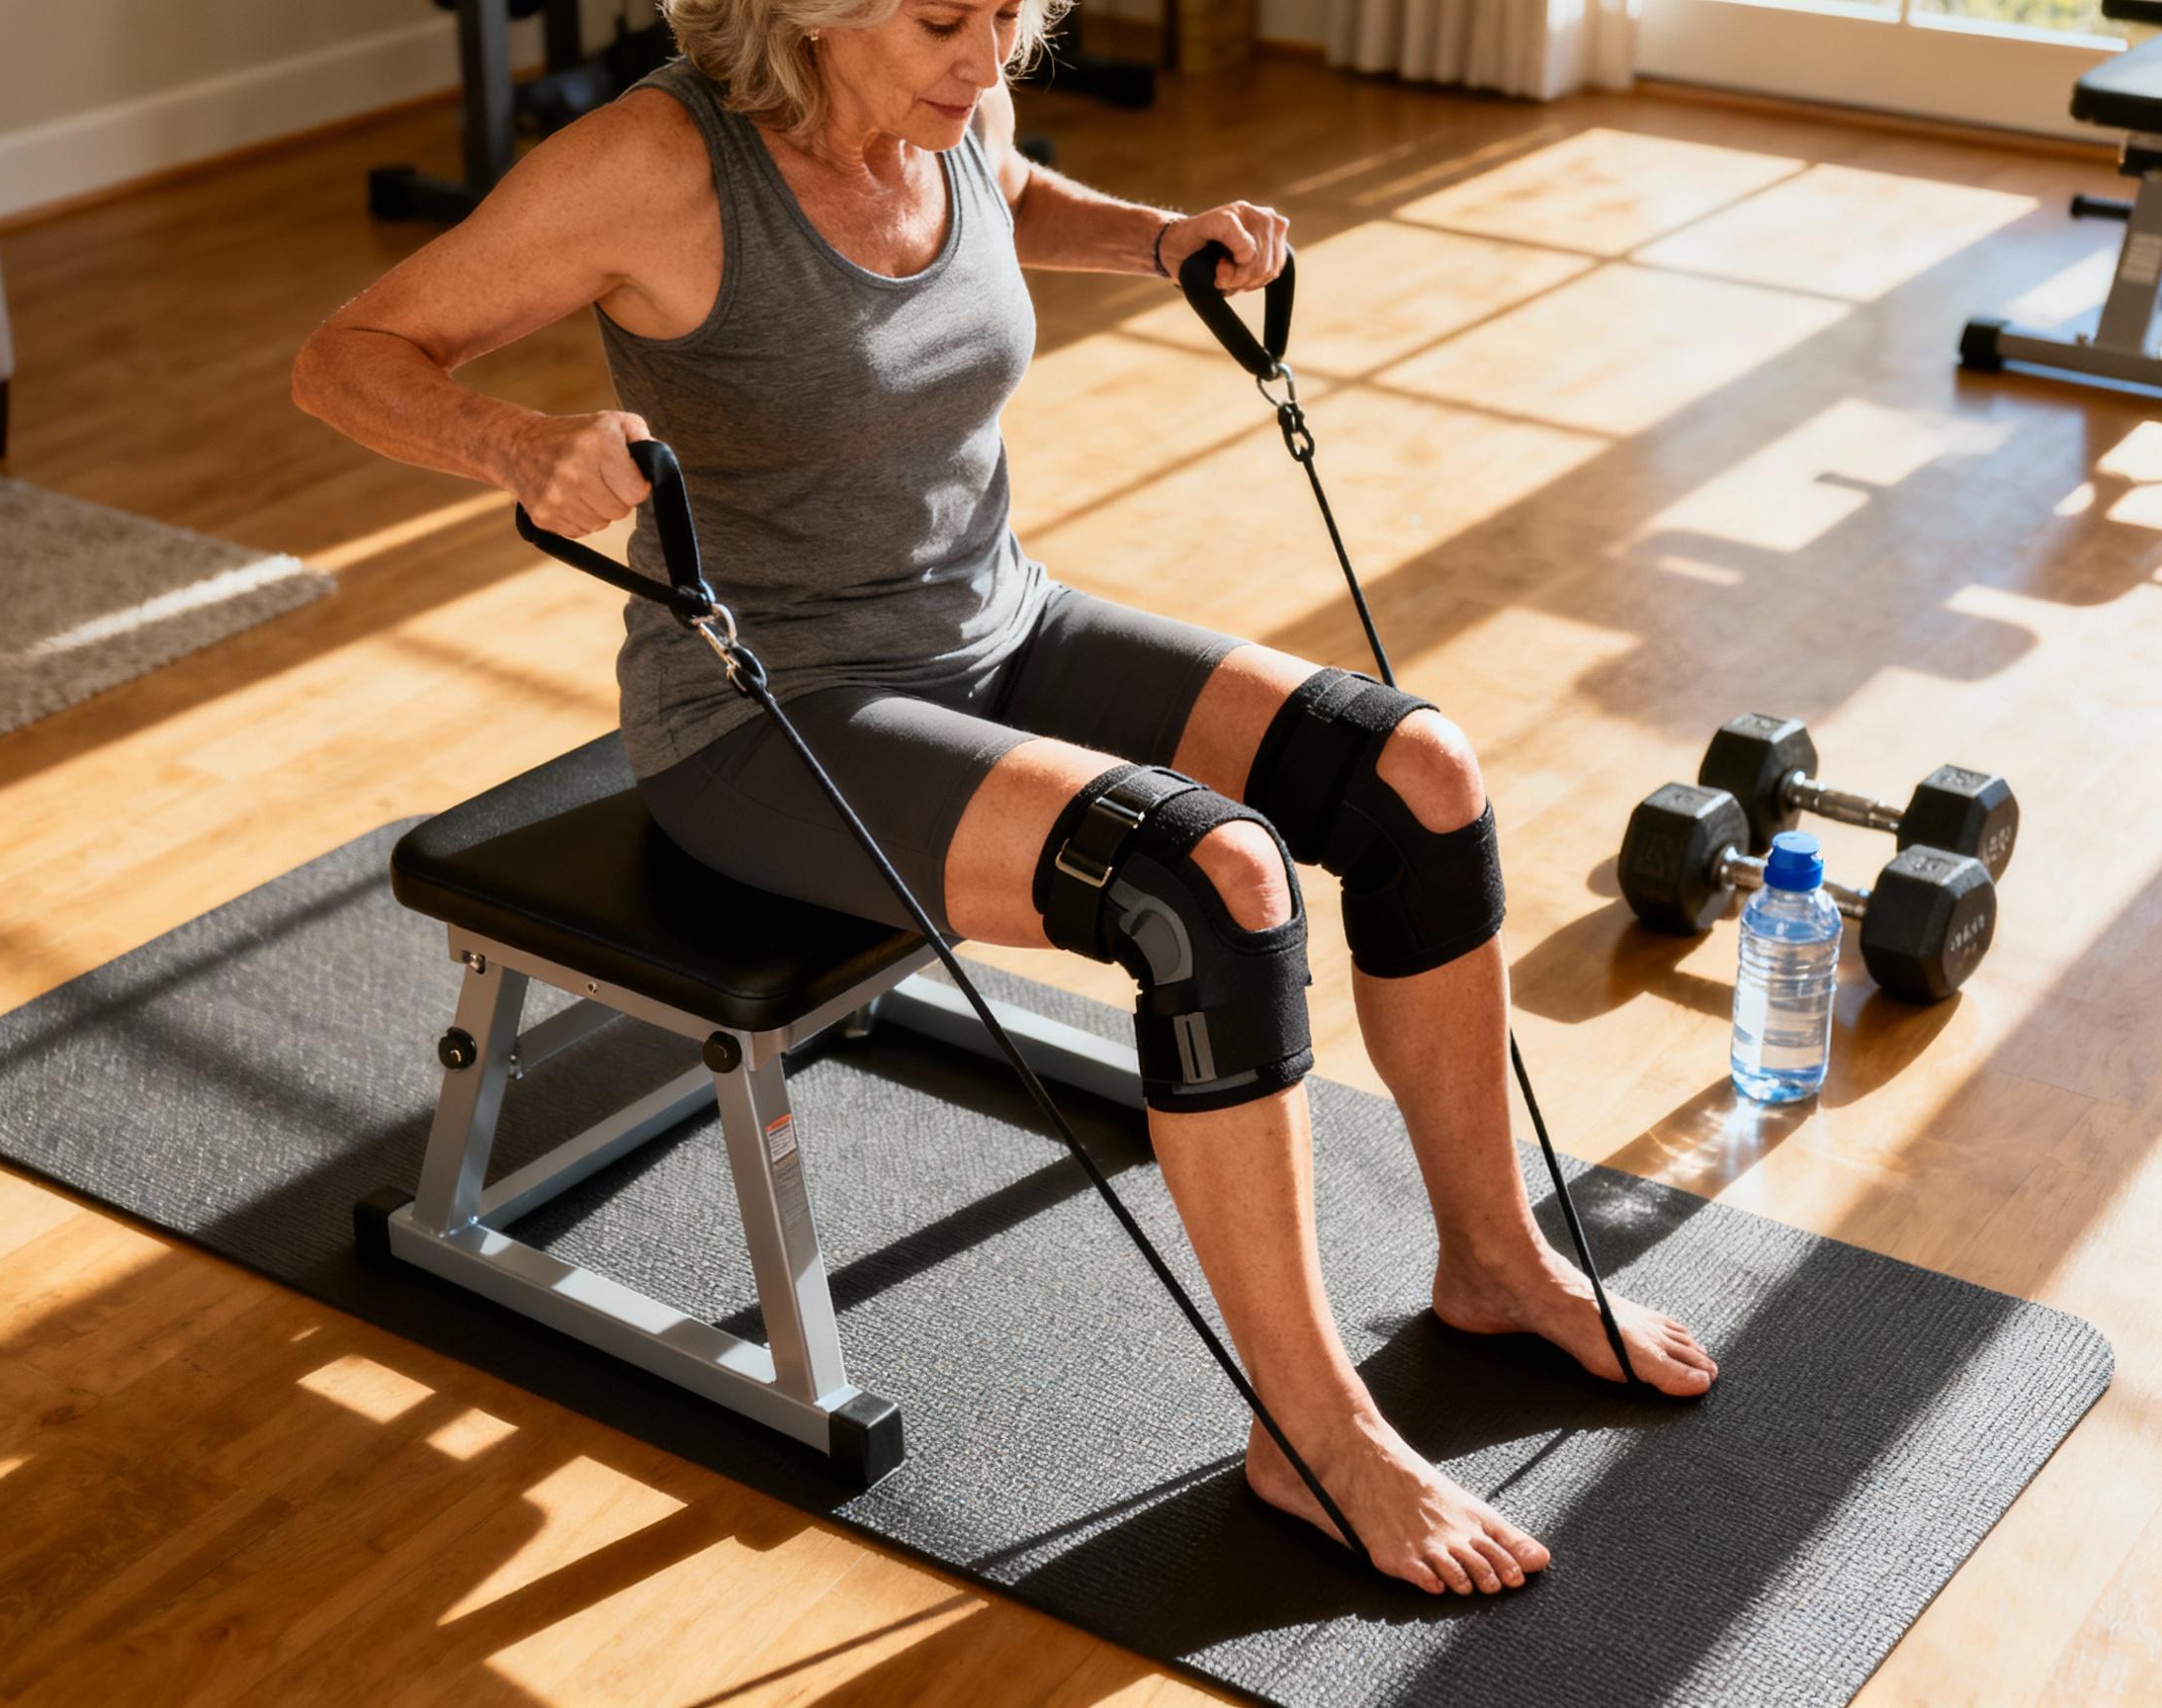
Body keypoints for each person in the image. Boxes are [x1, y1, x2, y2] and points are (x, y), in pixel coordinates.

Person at [292, 0, 1716, 1595]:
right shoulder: (649, 166)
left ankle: (1497, 1262)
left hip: (1003, 620)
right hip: (774, 717)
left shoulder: (948, 106)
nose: (991, 64)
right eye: (947, 19)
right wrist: (521, 445)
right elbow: (346, 355)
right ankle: (1306, 1422)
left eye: (1014, 15)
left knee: (1416, 774)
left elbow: (1015, 194)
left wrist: (1161, 236)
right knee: (1211, 885)